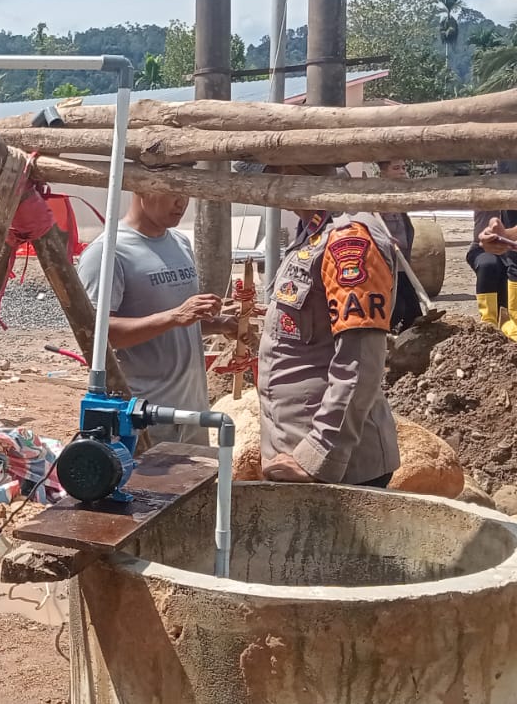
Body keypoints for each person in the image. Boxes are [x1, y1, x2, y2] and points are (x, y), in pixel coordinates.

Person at [257, 170, 401, 486]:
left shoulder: (348, 238)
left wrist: (318, 456)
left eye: (273, 173)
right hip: (297, 451)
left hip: (336, 469)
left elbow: (361, 363)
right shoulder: (314, 229)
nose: (267, 186)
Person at [75, 188, 236, 444]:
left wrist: (219, 324)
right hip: (143, 418)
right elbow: (97, 337)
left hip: (192, 411)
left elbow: (176, 325)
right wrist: (174, 316)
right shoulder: (108, 253)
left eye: (187, 191)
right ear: (141, 188)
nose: (182, 201)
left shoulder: (180, 243)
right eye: (173, 191)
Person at [467, 158, 517, 339]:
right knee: (489, 264)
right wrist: (501, 236)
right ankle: (488, 323)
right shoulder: (489, 193)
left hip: (506, 250)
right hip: (491, 251)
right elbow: (486, 236)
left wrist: (506, 236)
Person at [374, 159, 423, 333]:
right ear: (383, 172)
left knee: (411, 304)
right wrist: (383, 239)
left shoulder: (399, 194)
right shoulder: (375, 196)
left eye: (403, 167)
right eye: (396, 168)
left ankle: (407, 336)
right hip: (386, 261)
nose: (402, 171)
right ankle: (390, 336)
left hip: (402, 261)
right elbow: (371, 225)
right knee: (399, 306)